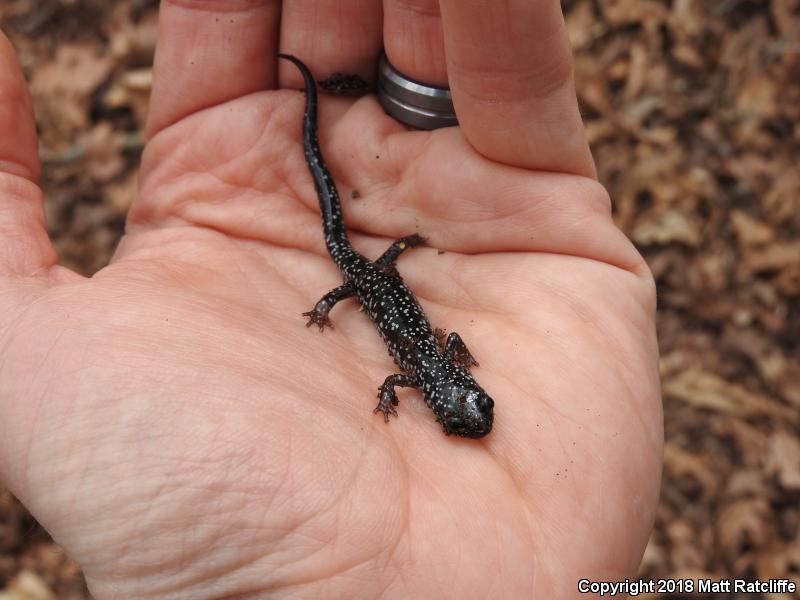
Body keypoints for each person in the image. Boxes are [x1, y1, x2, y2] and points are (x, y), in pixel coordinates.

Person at [0, 1, 662, 598]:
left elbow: (409, 369)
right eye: (472, 410)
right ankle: (326, 144)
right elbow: (418, 360)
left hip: (376, 276)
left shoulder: (425, 373)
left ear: (449, 402)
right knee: (353, 249)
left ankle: (332, 147)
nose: (469, 409)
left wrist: (377, 320)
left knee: (359, 254)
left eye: (465, 413)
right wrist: (331, 304)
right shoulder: (430, 371)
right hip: (368, 273)